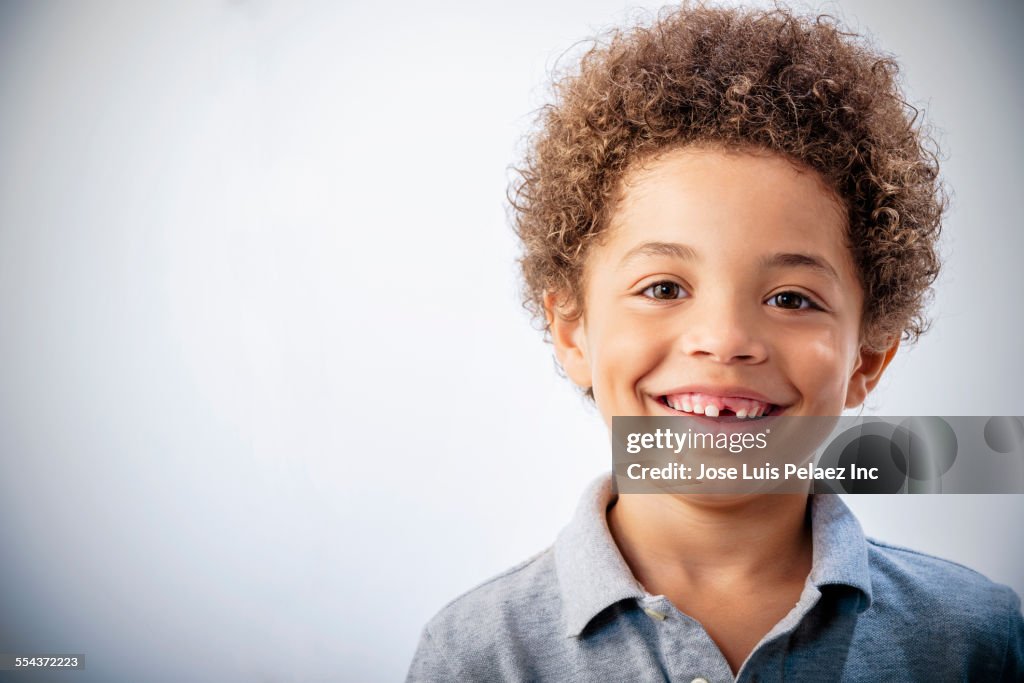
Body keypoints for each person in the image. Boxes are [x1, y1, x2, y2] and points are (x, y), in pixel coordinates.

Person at [407, 4, 1024, 680]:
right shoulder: (478, 653)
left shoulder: (973, 640)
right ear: (572, 328)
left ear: (866, 358)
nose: (725, 341)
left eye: (791, 298)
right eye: (664, 288)